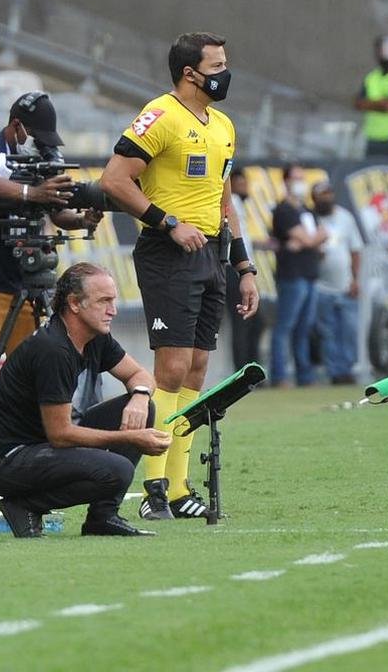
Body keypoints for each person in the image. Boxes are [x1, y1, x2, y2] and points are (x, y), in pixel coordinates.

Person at [100, 32, 259, 521]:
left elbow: (223, 201)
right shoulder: (160, 116)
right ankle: (153, 489)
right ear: (190, 73)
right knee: (169, 368)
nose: (225, 73)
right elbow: (114, 180)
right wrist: (167, 222)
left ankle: (178, 486)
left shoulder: (224, 125)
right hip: (167, 253)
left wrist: (244, 266)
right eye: (218, 65)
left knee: (195, 370)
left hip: (211, 252)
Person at [0, 92, 102, 495]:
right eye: (35, 135)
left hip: (26, 282)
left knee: (36, 372)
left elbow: (55, 211)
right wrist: (27, 194)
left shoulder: (40, 161)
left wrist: (81, 217)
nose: (41, 144)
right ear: (17, 126)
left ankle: (30, 458)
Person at [0, 263, 170, 538]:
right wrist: (132, 437)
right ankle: (24, 504)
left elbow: (139, 374)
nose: (113, 310)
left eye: (113, 300)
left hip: (43, 444)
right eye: (104, 301)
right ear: (74, 304)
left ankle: (102, 518)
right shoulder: (53, 349)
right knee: (118, 470)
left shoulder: (95, 336)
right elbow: (61, 435)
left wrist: (140, 397)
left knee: (144, 408)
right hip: (11, 461)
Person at [268, 163, 327, 388]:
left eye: (302, 178)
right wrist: (311, 240)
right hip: (292, 275)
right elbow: (312, 238)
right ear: (285, 181)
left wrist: (308, 241)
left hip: (310, 272)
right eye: (296, 178)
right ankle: (279, 375)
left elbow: (320, 237)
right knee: (285, 326)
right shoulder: (283, 210)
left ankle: (305, 375)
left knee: (304, 328)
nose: (300, 183)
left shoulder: (307, 211)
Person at [310, 181, 364, 384]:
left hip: (345, 285)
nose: (326, 198)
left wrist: (355, 279)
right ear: (315, 199)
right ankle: (335, 373)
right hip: (321, 287)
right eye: (321, 195)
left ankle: (347, 369)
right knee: (328, 333)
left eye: (328, 193)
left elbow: (355, 249)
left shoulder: (345, 217)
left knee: (349, 330)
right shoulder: (311, 219)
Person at [226, 168, 262, 369]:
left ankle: (250, 367)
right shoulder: (231, 202)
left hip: (243, 269)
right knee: (243, 320)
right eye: (239, 183)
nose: (244, 187)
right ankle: (242, 369)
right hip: (234, 268)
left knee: (254, 321)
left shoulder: (239, 204)